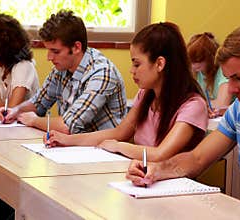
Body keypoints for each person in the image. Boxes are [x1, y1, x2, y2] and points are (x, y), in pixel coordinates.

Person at [126, 24, 240, 219]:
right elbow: (197, 159)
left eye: (239, 78)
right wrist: (156, 170)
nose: (231, 89)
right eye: (228, 79)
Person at [44, 22, 208, 162]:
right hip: (143, 177)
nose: (131, 71)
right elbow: (119, 132)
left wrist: (118, 146)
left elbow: (160, 154)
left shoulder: (193, 106)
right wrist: (67, 140)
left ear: (159, 64)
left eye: (137, 64)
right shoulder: (146, 95)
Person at [0, 10, 127, 134]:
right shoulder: (61, 69)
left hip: (103, 151)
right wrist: (15, 110)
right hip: (74, 146)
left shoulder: (102, 73)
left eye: (55, 51)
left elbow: (68, 126)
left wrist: (34, 120)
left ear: (76, 47)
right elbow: (38, 103)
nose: (49, 57)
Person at [187, 32, 233, 117]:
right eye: (191, 61)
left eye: (198, 61)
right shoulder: (197, 72)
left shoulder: (222, 71)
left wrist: (198, 105)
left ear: (209, 59)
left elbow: (222, 104)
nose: (194, 66)